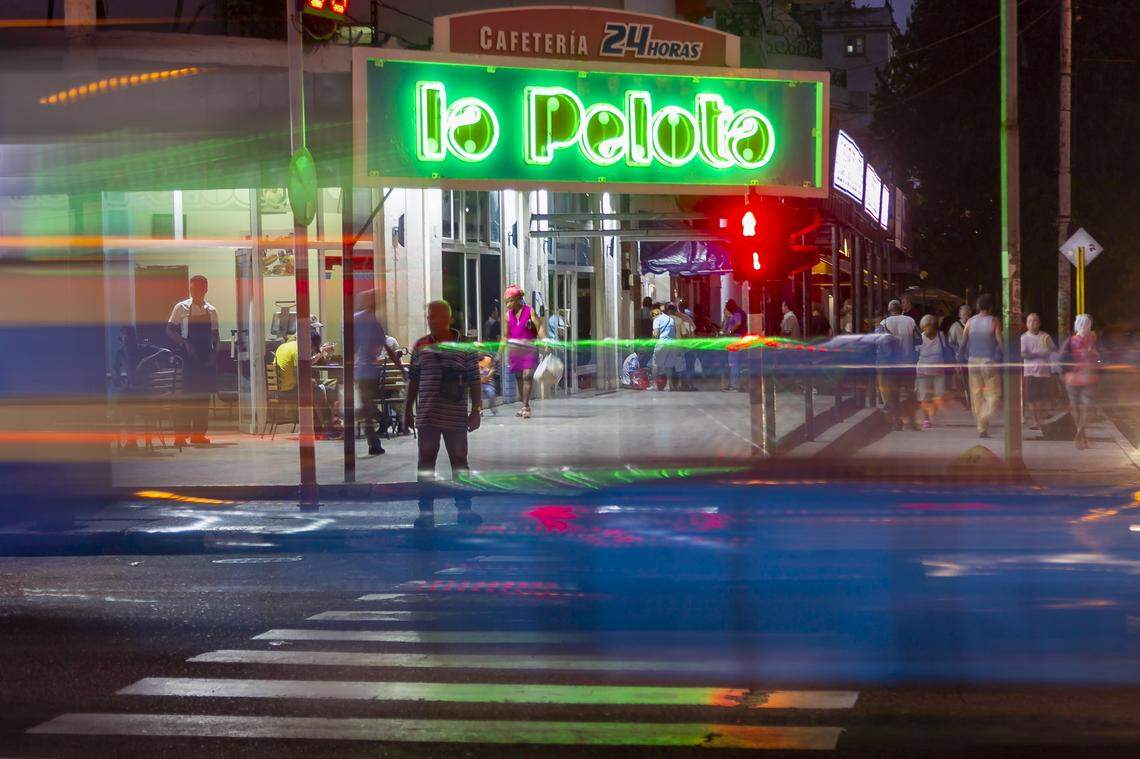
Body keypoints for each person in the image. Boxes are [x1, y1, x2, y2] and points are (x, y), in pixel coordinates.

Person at [403, 300, 483, 528]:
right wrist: (407, 410)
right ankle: (426, 512)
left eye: (436, 316)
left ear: (448, 319)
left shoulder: (465, 346)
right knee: (426, 463)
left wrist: (476, 410)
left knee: (459, 462)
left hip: (455, 417)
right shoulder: (421, 345)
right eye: (429, 316)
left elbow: (474, 379)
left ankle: (464, 509)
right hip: (427, 415)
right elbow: (414, 380)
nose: (431, 321)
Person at [166, 274, 220, 448]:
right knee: (185, 399)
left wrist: (214, 354)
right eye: (192, 288)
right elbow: (170, 330)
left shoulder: (211, 310)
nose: (194, 291)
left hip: (205, 359)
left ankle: (198, 435)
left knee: (202, 399)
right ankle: (180, 436)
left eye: (197, 288)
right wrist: (185, 343)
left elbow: (215, 335)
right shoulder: (181, 307)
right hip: (187, 359)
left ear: (205, 289)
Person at [354, 289, 404, 455]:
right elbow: (387, 349)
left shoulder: (362, 320)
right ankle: (379, 432)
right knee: (366, 407)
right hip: (369, 373)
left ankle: (377, 435)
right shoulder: (370, 322)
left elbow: (352, 345)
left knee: (365, 407)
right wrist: (401, 369)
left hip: (365, 372)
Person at [274, 329, 339, 438]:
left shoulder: (284, 346)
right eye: (312, 348)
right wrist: (311, 382)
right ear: (309, 343)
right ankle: (329, 428)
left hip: (281, 389)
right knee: (319, 392)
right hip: (290, 391)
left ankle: (321, 428)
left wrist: (318, 355)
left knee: (318, 391)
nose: (311, 351)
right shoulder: (298, 350)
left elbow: (303, 365)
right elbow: (300, 377)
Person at [958, 293, 1003, 438]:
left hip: (972, 362)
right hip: (988, 362)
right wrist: (1004, 355)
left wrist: (959, 360)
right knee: (994, 395)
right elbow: (1000, 342)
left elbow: (963, 343)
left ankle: (981, 427)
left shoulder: (970, 322)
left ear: (978, 306)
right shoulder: (994, 321)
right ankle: (984, 419)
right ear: (991, 307)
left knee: (976, 395)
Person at [876, 299, 921, 431]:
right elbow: (919, 340)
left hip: (892, 365)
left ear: (889, 311)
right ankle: (912, 421)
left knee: (893, 394)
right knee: (909, 392)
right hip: (908, 363)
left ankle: (897, 422)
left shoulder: (884, 323)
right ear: (901, 309)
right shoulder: (910, 321)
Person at [502, 284, 543, 419]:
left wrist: (545, 340)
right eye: (506, 302)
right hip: (515, 351)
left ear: (517, 299)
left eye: (510, 301)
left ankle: (525, 406)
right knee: (519, 377)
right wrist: (499, 352)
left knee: (527, 376)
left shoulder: (530, 311)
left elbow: (539, 327)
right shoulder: (507, 316)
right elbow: (505, 336)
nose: (507, 304)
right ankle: (524, 404)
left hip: (529, 349)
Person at [1060, 313, 1099, 450]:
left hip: (1076, 377)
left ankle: (1080, 433)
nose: (1084, 326)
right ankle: (1081, 435)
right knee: (1084, 407)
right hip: (1084, 376)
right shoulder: (1090, 339)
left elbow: (1061, 357)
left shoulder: (1073, 340)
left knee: (1078, 407)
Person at [1021, 312, 1056, 433]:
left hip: (1044, 372)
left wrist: (1048, 349)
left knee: (1041, 398)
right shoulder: (1024, 338)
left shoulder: (1045, 336)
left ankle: (1039, 419)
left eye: (1034, 321)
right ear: (1026, 324)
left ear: (1039, 323)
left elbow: (1053, 349)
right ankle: (1035, 420)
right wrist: (1039, 354)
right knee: (1032, 398)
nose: (1032, 323)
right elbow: (1023, 354)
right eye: (1029, 321)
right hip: (1030, 372)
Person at [915, 314, 950, 429]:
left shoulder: (941, 336)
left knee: (939, 395)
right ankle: (926, 419)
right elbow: (915, 354)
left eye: (929, 326)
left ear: (934, 326)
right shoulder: (920, 338)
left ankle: (932, 413)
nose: (927, 330)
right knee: (925, 396)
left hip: (939, 371)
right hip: (923, 372)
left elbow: (946, 349)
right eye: (925, 327)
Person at [652, 303, 682, 390]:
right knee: (669, 365)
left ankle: (654, 385)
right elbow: (674, 333)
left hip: (662, 343)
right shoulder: (670, 319)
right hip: (671, 344)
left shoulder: (657, 320)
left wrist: (653, 334)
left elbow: (656, 334)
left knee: (655, 364)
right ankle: (668, 385)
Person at [946, 303, 972, 404]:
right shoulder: (955, 327)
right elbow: (950, 343)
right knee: (963, 380)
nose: (966, 316)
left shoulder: (973, 324)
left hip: (972, 357)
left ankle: (971, 400)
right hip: (961, 358)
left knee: (971, 380)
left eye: (968, 314)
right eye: (964, 314)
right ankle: (965, 401)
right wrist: (957, 352)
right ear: (959, 315)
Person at [721, 298, 746, 390]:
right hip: (736, 338)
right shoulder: (737, 312)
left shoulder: (737, 313)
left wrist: (730, 331)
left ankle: (734, 385)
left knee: (734, 362)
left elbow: (738, 323)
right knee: (734, 362)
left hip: (735, 338)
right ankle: (733, 383)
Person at [674, 302, 697, 389]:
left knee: (679, 366)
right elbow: (693, 333)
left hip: (678, 345)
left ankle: (680, 384)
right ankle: (690, 384)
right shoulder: (688, 318)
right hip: (689, 346)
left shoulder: (673, 318)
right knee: (690, 365)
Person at [478, 351, 498, 415]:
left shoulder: (488, 359)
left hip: (488, 382)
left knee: (492, 394)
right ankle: (479, 410)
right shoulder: (473, 361)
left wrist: (488, 375)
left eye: (480, 350)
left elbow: (493, 369)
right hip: (478, 382)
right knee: (478, 396)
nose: (479, 353)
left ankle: (491, 405)